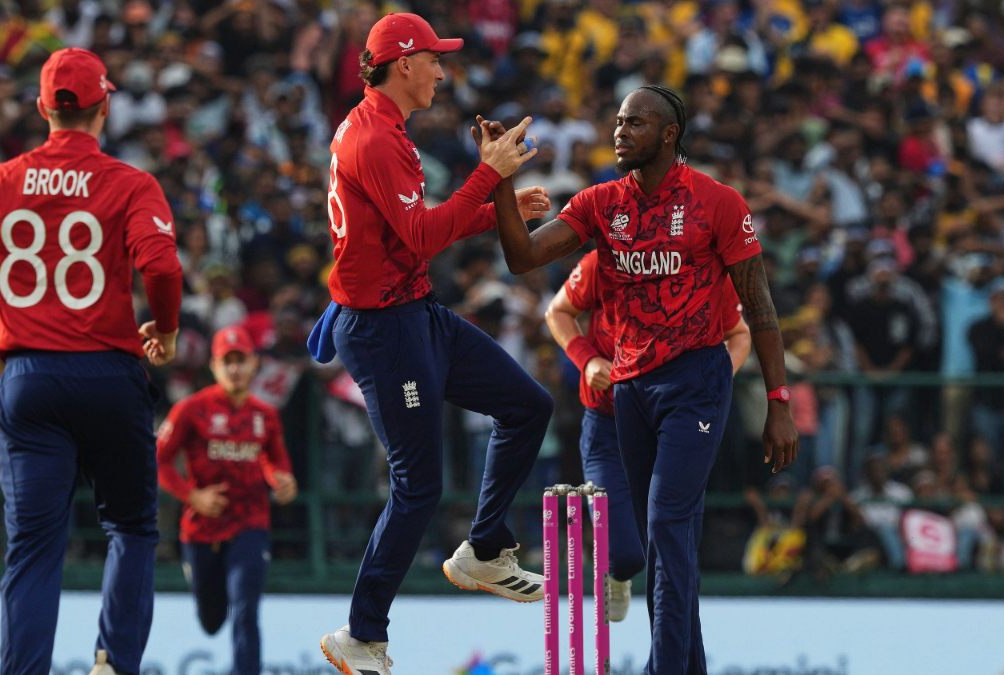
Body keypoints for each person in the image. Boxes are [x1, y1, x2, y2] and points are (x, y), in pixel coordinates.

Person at [489, 85, 799, 674]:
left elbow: (759, 309)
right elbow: (523, 258)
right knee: (667, 543)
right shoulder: (601, 202)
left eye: (634, 122)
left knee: (665, 522)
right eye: (617, 122)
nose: (619, 131)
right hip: (629, 391)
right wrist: (500, 181)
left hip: (696, 380)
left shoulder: (719, 202)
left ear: (668, 134)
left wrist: (778, 402)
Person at [312, 13, 554, 675]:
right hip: (384, 329)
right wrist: (488, 177)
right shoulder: (376, 138)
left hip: (413, 311)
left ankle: (484, 549)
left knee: (528, 405)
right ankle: (360, 634)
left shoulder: (381, 128)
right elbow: (418, 236)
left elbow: (409, 230)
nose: (444, 72)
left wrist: (494, 206)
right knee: (419, 486)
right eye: (436, 61)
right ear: (405, 63)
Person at [0, 48, 183, 675]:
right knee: (131, 529)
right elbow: (161, 266)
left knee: (32, 550)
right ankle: (114, 662)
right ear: (104, 107)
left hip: (30, 380)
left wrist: (36, 286)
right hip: (108, 374)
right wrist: (167, 327)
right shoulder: (130, 182)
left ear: (41, 108)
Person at [543, 248, 752, 620]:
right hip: (608, 423)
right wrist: (586, 359)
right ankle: (618, 572)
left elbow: (738, 335)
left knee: (669, 536)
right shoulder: (603, 261)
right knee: (626, 552)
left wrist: (716, 382)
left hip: (669, 426)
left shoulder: (702, 270)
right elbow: (557, 311)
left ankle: (673, 640)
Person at [157, 326, 297, 675]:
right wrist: (193, 496)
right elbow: (158, 461)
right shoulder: (191, 409)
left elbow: (276, 461)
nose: (235, 369)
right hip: (201, 527)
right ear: (214, 366)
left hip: (250, 522)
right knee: (212, 620)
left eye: (242, 361)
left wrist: (283, 481)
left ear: (254, 365)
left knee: (246, 608)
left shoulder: (265, 415)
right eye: (227, 362)